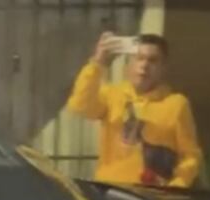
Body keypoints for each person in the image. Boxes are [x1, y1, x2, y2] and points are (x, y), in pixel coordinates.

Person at [66, 32, 202, 188]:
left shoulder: (176, 104)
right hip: (111, 190)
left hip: (155, 194)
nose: (144, 65)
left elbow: (190, 155)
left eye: (153, 60)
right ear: (129, 63)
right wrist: (98, 62)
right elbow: (79, 106)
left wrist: (177, 185)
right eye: (139, 58)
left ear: (163, 67)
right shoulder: (111, 95)